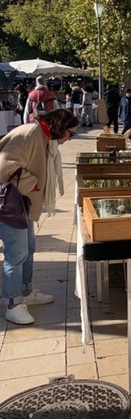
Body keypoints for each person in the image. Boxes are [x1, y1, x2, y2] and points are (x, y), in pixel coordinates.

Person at [0, 108, 79, 325]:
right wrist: (32, 184)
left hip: (22, 203)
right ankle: (12, 303)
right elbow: (3, 166)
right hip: (10, 204)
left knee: (29, 247)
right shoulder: (29, 134)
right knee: (15, 254)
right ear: (60, 128)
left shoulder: (41, 135)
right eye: (70, 133)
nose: (69, 139)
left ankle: (24, 292)